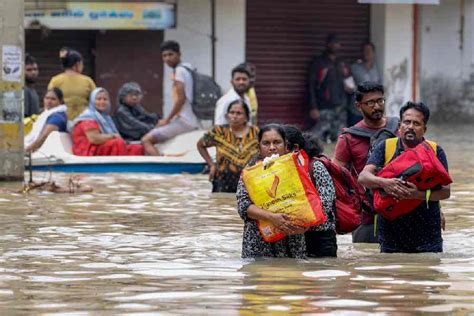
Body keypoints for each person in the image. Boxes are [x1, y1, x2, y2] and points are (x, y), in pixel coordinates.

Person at [358, 102, 450, 253]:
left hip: (427, 235)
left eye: (416, 123)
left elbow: (446, 192)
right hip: (391, 233)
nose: (410, 127)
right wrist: (385, 183)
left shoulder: (435, 151)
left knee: (428, 274)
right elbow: (363, 177)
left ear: (424, 129)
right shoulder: (386, 147)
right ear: (400, 126)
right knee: (392, 272)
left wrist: (417, 195)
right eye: (407, 122)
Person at [333, 82, 399, 243]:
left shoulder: (399, 128)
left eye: (380, 101)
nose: (377, 106)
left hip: (401, 208)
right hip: (367, 214)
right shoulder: (348, 138)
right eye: (370, 103)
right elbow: (336, 176)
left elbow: (422, 168)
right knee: (366, 261)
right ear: (358, 106)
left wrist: (435, 209)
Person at [236, 124, 307, 258]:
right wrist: (272, 218)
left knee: (293, 277)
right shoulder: (250, 172)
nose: (272, 147)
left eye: (277, 142)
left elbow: (308, 201)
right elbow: (243, 207)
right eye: (266, 143)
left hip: (293, 243)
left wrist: (305, 225)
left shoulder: (297, 168)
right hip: (259, 245)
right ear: (259, 147)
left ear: (286, 145)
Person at [284, 125, 337, 257]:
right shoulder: (283, 170)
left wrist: (305, 222)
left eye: (281, 144)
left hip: (321, 235)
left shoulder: (316, 166)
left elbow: (326, 201)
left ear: (295, 148)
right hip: (296, 235)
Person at [141, 40, 200, 156]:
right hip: (191, 119)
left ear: (179, 55)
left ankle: (160, 167)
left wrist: (167, 120)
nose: (167, 58)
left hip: (185, 121)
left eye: (170, 55)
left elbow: (181, 100)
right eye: (164, 56)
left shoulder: (179, 71)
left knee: (146, 140)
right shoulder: (188, 68)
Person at [197, 100, 259, 193]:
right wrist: (212, 165)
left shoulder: (255, 132)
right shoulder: (219, 131)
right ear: (227, 115)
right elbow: (200, 145)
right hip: (222, 181)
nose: (234, 116)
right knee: (222, 205)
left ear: (246, 117)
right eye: (232, 112)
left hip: (249, 182)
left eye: (239, 113)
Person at [308, 33, 354, 143]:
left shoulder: (342, 63)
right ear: (327, 45)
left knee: (341, 141)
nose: (335, 46)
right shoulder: (319, 63)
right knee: (316, 140)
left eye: (337, 43)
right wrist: (313, 107)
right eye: (332, 43)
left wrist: (351, 89)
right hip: (324, 108)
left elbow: (350, 84)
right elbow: (311, 87)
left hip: (341, 109)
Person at [71, 87, 144, 156]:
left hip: (100, 146)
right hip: (88, 150)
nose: (102, 102)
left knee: (136, 148)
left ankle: (133, 169)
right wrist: (113, 136)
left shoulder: (105, 117)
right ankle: (120, 168)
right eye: (98, 99)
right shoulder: (88, 117)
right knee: (118, 143)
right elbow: (94, 139)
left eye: (105, 99)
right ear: (92, 101)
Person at [48, 47, 96, 120]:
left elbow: (49, 101)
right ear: (77, 64)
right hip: (83, 121)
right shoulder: (87, 81)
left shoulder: (55, 80)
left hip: (61, 120)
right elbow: (95, 101)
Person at [348, 42, 383, 126]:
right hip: (356, 111)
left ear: (373, 53)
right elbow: (348, 87)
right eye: (364, 51)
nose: (366, 53)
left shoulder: (377, 70)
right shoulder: (354, 68)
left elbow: (381, 89)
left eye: (369, 50)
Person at [24, 88, 67, 153]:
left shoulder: (57, 116)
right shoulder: (44, 113)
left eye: (53, 99)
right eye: (47, 98)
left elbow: (44, 136)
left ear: (60, 101)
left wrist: (27, 150)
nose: (49, 101)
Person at [24, 54, 40, 118]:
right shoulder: (24, 91)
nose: (33, 72)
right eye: (29, 70)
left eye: (35, 69)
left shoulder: (32, 90)